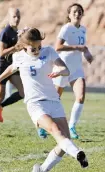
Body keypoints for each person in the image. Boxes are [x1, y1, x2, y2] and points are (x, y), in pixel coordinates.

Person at [0, 28, 88, 172]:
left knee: (65, 140)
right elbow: (12, 68)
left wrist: (59, 72)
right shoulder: (19, 56)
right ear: (25, 46)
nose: (37, 50)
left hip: (53, 101)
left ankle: (40, 170)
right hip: (34, 103)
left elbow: (65, 69)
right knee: (55, 130)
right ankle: (78, 154)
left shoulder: (48, 52)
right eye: (33, 48)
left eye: (39, 47)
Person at [40, 3, 93, 140]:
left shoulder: (83, 29)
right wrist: (78, 47)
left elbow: (82, 48)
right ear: (69, 15)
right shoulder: (66, 28)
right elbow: (57, 47)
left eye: (79, 11)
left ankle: (71, 126)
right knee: (54, 99)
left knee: (80, 96)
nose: (77, 13)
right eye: (74, 11)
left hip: (76, 70)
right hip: (62, 69)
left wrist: (86, 53)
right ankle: (42, 125)